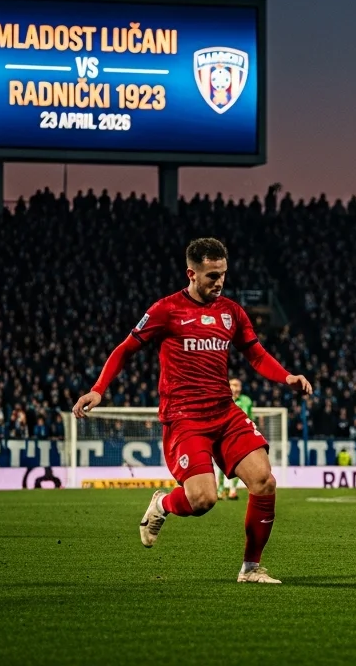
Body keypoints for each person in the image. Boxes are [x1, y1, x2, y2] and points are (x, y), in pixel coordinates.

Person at [72, 238, 313, 583]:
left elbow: (255, 354)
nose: (219, 282)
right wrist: (98, 389)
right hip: (185, 418)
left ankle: (250, 568)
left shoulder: (231, 312)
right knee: (202, 500)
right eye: (212, 275)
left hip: (225, 413)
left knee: (264, 481)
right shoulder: (166, 310)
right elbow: (125, 349)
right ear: (192, 273)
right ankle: (162, 504)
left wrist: (286, 376)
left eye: (224, 275)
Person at [218, 377, 255, 500]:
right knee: (222, 464)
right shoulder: (223, 400)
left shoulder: (246, 401)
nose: (235, 387)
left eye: (237, 385)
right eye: (232, 385)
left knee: (237, 464)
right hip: (224, 436)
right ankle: (220, 490)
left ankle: (233, 490)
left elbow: (250, 418)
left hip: (240, 436)